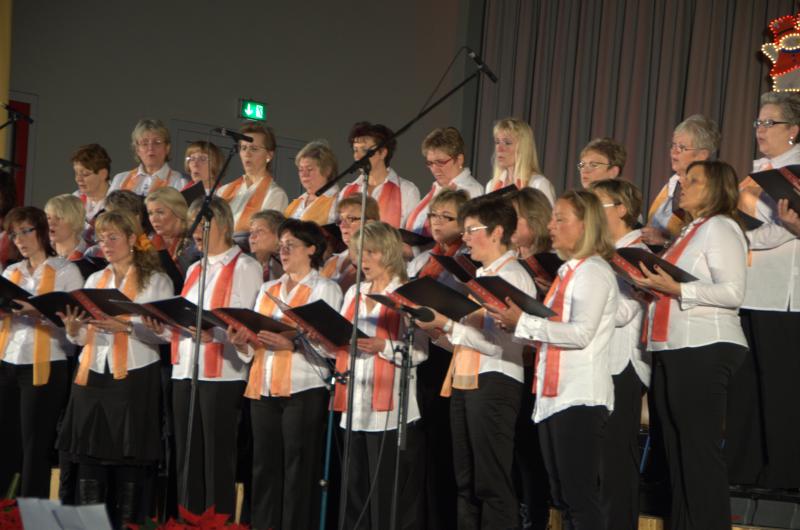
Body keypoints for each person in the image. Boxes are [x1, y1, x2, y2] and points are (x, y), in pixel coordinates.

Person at [489, 190, 618, 530]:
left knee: (579, 498)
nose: (550, 226)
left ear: (585, 225)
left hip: (579, 395)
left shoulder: (593, 271)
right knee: (563, 497)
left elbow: (581, 334)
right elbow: (554, 331)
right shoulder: (568, 272)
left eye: (560, 219)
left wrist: (524, 322)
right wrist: (515, 325)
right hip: (556, 396)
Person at [633, 160, 747, 530]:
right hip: (673, 347)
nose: (684, 184)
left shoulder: (721, 226)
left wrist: (678, 289)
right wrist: (651, 288)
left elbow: (733, 292)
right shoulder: (689, 231)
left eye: (694, 180)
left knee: (698, 454)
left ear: (715, 189)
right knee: (678, 456)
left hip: (704, 344)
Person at [416, 197, 535, 529]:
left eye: (471, 230)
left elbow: (501, 345)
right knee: (466, 481)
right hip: (466, 379)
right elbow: (467, 340)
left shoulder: (512, 276)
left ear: (496, 232)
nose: (465, 238)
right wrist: (437, 330)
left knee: (491, 480)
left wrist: (449, 324)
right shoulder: (481, 275)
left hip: (495, 381)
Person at [58, 210, 173, 527]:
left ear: (132, 239)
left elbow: (166, 334)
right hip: (93, 374)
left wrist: (127, 327)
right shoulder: (96, 280)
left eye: (113, 237)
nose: (105, 244)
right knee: (89, 460)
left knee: (129, 460)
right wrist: (72, 329)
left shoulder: (156, 281)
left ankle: (127, 523)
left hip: (134, 376)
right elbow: (84, 337)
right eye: (101, 238)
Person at [229, 219, 342, 530]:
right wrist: (242, 342)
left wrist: (292, 345)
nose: (284, 251)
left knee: (298, 468)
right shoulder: (269, 289)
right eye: (281, 246)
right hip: (263, 385)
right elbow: (256, 340)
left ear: (312, 249)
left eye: (291, 245)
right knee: (264, 467)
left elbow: (332, 346)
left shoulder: (325, 289)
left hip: (302, 387)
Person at [154, 197, 262, 516]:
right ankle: (188, 520)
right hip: (185, 370)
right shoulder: (195, 268)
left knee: (217, 459)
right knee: (187, 457)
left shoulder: (246, 267)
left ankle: (218, 522)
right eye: (194, 225)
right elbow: (185, 321)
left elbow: (245, 324)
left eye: (204, 224)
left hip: (222, 374)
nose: (196, 232)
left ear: (224, 226)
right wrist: (162, 327)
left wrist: (215, 335)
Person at [329, 221, 426, 530]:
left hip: (390, 409)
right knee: (354, 491)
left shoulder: (407, 294)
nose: (363, 260)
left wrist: (384, 346)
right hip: (355, 403)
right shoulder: (354, 292)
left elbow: (420, 352)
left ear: (389, 252)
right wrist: (322, 339)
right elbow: (339, 342)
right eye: (359, 252)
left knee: (384, 493)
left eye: (371, 252)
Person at [728, 91, 800, 489]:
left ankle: (783, 475)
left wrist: (740, 237)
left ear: (793, 130)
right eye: (758, 122)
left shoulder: (794, 171)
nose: (760, 129)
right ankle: (743, 469)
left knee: (780, 386)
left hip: (783, 295)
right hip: (751, 289)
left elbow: (785, 230)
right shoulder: (756, 173)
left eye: (769, 123)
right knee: (747, 385)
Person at [0, 207, 82, 498]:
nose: (20, 240)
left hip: (46, 363)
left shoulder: (65, 270)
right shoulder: (11, 271)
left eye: (26, 231)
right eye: (14, 234)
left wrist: (39, 312)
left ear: (43, 232)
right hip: (7, 360)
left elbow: (76, 323)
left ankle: (29, 511)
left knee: (35, 445)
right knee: (5, 441)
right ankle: (5, 511)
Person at [406, 188, 469, 530]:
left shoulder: (466, 261)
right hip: (424, 352)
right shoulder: (424, 260)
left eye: (447, 217)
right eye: (434, 216)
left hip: (449, 353)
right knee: (423, 444)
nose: (438, 222)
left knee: (444, 445)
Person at [590, 179, 651, 529]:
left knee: (614, 458)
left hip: (621, 363)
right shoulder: (599, 253)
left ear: (622, 209)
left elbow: (626, 310)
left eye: (597, 205)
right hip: (596, 362)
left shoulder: (637, 253)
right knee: (595, 459)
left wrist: (584, 307)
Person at [508, 187, 554, 530]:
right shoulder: (508, 262)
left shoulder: (552, 264)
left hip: (536, 366)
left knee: (530, 452)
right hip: (508, 360)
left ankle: (534, 518)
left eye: (515, 218)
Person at [642, 115, 719, 246]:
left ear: (702, 155)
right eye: (673, 145)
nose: (674, 152)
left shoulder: (707, 192)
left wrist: (665, 242)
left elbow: (702, 242)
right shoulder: (672, 184)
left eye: (682, 147)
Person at [339, 121, 420, 228]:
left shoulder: (407, 191)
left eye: (364, 150)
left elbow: (411, 234)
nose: (357, 157)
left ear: (382, 153)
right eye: (355, 150)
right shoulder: (346, 191)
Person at [405, 127, 484, 236]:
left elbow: (467, 235)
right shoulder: (437, 188)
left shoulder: (471, 191)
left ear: (459, 159)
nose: (434, 169)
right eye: (430, 163)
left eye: (440, 162)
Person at [218, 124, 288, 232]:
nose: (247, 154)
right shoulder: (223, 191)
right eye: (243, 148)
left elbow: (268, 236)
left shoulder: (275, 194)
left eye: (254, 149)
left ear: (269, 155)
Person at [486, 118, 556, 204]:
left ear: (523, 148)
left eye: (507, 143)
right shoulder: (491, 186)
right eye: (497, 142)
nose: (499, 149)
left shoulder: (538, 185)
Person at [109, 118, 187, 195]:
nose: (150, 148)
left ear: (167, 148)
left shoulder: (179, 182)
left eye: (157, 142)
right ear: (137, 149)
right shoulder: (121, 179)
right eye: (144, 143)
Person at [321, 193, 380, 294]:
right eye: (341, 220)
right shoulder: (332, 261)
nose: (343, 225)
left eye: (351, 219)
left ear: (370, 223)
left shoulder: (378, 263)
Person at [284, 140, 340, 225]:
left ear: (327, 170)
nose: (304, 174)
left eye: (309, 169)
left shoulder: (337, 201)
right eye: (301, 170)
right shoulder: (297, 202)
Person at [71, 143, 111, 245]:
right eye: (76, 173)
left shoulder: (118, 203)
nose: (78, 179)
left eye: (85, 174)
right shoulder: (74, 200)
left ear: (103, 174)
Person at [45, 194, 88, 259]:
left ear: (75, 220)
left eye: (58, 218)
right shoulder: (38, 253)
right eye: (48, 218)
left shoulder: (92, 255)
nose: (50, 223)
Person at [248, 209, 286, 282]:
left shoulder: (285, 266)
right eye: (251, 232)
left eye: (260, 231)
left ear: (278, 235)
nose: (252, 237)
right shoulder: (248, 264)